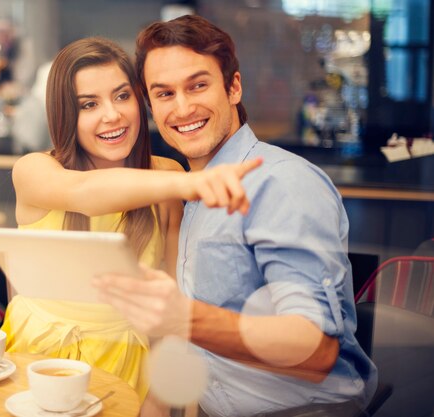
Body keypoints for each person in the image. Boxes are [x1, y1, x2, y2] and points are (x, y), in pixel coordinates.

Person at [94, 15, 378, 417]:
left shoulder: (280, 183)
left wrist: (185, 318)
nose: (183, 107)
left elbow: (317, 350)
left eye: (198, 85)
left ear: (233, 87)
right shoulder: (192, 195)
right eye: (164, 94)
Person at [0, 36, 261, 410]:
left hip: (125, 365)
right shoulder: (36, 170)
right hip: (34, 359)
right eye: (89, 104)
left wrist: (155, 402)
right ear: (65, 114)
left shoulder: (165, 176)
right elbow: (84, 194)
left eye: (122, 96)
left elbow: (171, 314)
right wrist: (190, 182)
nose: (112, 115)